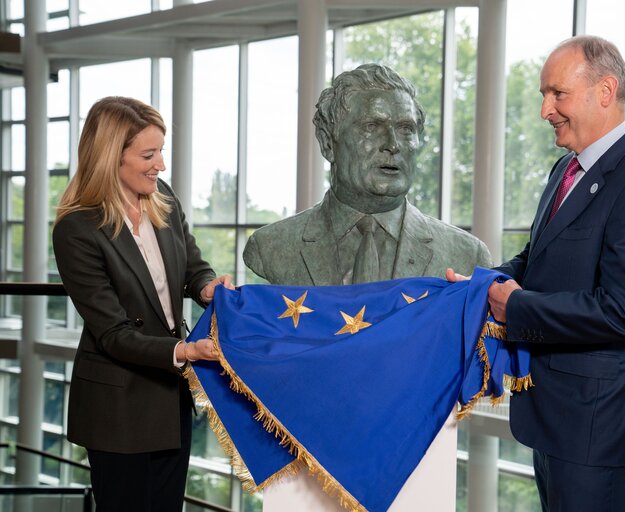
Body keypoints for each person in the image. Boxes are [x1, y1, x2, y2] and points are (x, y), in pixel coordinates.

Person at [448, 35, 625, 511]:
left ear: (605, 92)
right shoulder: (565, 169)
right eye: (543, 95)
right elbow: (535, 260)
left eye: (558, 94)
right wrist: (478, 286)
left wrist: (517, 307)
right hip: (556, 415)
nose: (545, 109)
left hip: (598, 426)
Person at [52, 96, 234, 511]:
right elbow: (113, 334)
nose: (160, 166)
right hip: (119, 408)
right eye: (148, 154)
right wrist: (186, 351)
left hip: (170, 399)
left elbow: (193, 267)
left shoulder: (161, 196)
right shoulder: (76, 230)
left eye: (161, 152)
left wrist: (207, 288)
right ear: (110, 157)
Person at [243, 63, 491, 285]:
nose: (393, 144)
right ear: (328, 143)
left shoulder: (468, 255)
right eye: (372, 127)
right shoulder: (270, 246)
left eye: (406, 129)